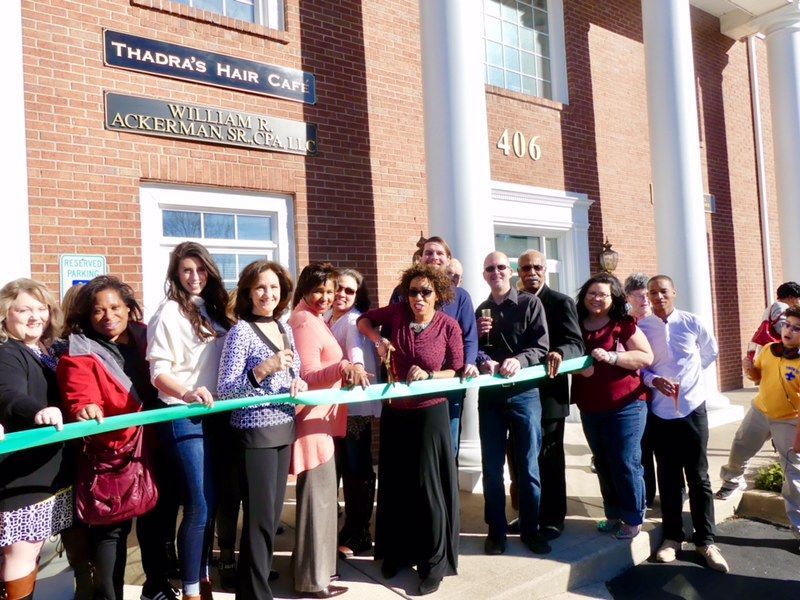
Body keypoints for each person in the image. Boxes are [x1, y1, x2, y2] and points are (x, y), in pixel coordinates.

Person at [58, 276, 173, 600]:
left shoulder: (145, 335)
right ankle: (111, 596)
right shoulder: (80, 350)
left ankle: (156, 587)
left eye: (115, 307)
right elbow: (80, 395)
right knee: (113, 533)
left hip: (156, 445)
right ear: (87, 315)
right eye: (98, 311)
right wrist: (86, 408)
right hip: (114, 454)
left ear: (128, 308)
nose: (108, 316)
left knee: (157, 522)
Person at [358, 263, 463, 596]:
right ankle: (396, 554)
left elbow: (458, 371)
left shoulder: (448, 326)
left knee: (428, 487)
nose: (418, 298)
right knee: (396, 484)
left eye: (426, 292)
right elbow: (364, 320)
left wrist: (431, 376)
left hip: (430, 413)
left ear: (438, 295)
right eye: (413, 291)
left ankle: (433, 564)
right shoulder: (398, 313)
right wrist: (379, 340)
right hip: (396, 413)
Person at [217, 260, 308, 600]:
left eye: (273, 287)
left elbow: (296, 370)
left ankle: (252, 581)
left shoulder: (284, 327)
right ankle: (255, 593)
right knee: (258, 519)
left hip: (285, 428)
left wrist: (298, 380)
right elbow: (226, 389)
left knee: (271, 517)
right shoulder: (240, 332)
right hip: (255, 435)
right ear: (247, 292)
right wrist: (264, 369)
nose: (267, 294)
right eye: (260, 288)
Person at [147, 241, 232, 600]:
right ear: (175, 274)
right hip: (183, 416)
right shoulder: (168, 313)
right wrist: (187, 394)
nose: (194, 277)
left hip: (216, 416)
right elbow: (158, 373)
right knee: (197, 504)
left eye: (200, 269)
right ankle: (191, 590)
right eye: (186, 270)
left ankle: (203, 578)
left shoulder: (215, 310)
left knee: (211, 502)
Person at [288, 263, 368, 599]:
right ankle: (313, 581)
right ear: (305, 288)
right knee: (318, 502)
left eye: (330, 291)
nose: (325, 297)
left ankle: (316, 573)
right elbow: (307, 375)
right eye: (318, 290)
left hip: (322, 420)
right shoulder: (305, 319)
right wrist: (344, 366)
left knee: (320, 500)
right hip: (313, 422)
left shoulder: (314, 318)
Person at [638, 275, 729, 572]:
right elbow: (641, 367)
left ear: (674, 292)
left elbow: (710, 351)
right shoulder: (643, 327)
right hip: (660, 411)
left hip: (692, 408)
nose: (658, 296)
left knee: (699, 476)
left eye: (663, 291)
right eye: (653, 292)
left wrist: (691, 377)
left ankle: (706, 540)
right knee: (668, 475)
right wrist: (653, 380)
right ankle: (672, 538)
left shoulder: (692, 322)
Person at [475, 251, 551, 555]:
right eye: (490, 268)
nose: (496, 272)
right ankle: (496, 531)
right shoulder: (481, 311)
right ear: (485, 275)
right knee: (492, 468)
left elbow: (541, 346)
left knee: (528, 464)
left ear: (511, 272)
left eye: (501, 267)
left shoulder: (530, 304)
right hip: (492, 398)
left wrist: (519, 361)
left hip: (525, 394)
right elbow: (471, 353)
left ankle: (531, 530)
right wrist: (483, 358)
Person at [0, 279, 71, 600]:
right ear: (5, 315)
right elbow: (8, 395)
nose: (35, 316)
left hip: (51, 469)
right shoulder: (7, 352)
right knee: (22, 553)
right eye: (24, 309)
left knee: (36, 549)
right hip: (23, 473)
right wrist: (39, 411)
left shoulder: (47, 349)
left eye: (40, 308)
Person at [506, 250, 584, 540]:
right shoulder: (513, 302)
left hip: (550, 396)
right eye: (526, 268)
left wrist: (560, 352)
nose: (532, 272)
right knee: (522, 459)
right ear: (519, 271)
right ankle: (528, 515)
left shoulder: (561, 302)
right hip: (518, 395)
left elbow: (577, 344)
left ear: (545, 270)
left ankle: (552, 518)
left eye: (537, 267)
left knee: (549, 459)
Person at [571, 273, 653, 540]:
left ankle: (633, 516)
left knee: (625, 461)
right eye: (591, 293)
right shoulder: (576, 325)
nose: (596, 299)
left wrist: (613, 356)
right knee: (604, 462)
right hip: (590, 406)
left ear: (613, 298)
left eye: (603, 294)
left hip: (626, 405)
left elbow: (645, 356)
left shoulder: (622, 324)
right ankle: (613, 514)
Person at [388, 236, 478, 457]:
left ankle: (447, 491)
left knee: (448, 447)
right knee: (413, 447)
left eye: (440, 254)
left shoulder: (461, 297)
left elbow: (470, 336)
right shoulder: (403, 291)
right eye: (429, 252)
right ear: (420, 258)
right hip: (410, 385)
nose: (434, 257)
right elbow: (388, 329)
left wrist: (469, 363)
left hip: (448, 383)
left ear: (448, 260)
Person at [718, 306, 800, 540]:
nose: (789, 330)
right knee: (740, 447)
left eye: (797, 328)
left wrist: (798, 438)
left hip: (789, 421)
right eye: (787, 325)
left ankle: (798, 528)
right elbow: (757, 377)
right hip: (760, 411)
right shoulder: (768, 350)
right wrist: (749, 369)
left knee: (794, 476)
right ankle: (732, 481)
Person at [325, 269, 381, 559]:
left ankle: (360, 533)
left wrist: (357, 367)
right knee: (340, 469)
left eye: (349, 290)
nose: (341, 295)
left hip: (355, 408)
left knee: (357, 471)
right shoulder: (326, 319)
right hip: (333, 408)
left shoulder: (352, 320)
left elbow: (356, 352)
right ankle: (347, 528)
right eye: (338, 288)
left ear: (357, 295)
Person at [624, 272, 659, 509]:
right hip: (638, 395)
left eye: (647, 294)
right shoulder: (626, 324)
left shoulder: (660, 322)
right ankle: (646, 495)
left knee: (665, 448)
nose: (644, 299)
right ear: (628, 298)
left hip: (663, 396)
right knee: (642, 447)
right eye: (638, 295)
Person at [746, 281, 800, 362]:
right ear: (791, 298)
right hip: (773, 352)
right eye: (798, 299)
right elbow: (781, 330)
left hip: (767, 350)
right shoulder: (781, 306)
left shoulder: (773, 306)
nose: (798, 302)